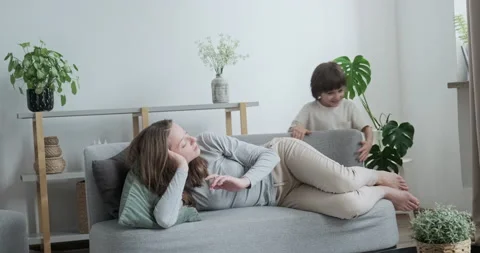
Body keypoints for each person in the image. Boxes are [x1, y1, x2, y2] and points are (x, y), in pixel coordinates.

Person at [126, 119, 420, 229]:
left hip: (284, 160)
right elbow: (164, 219)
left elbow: (266, 154)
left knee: (343, 181)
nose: (193, 141)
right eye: (183, 143)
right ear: (169, 156)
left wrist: (243, 181)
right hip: (283, 195)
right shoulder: (179, 189)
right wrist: (181, 168)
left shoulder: (208, 142)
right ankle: (383, 191)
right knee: (350, 207)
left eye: (187, 134)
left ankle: (372, 174)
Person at [289, 61, 373, 162]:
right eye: (330, 93)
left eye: (340, 91)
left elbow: (366, 128)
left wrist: (368, 143)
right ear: (318, 92)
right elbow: (294, 128)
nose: (337, 97)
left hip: (346, 158)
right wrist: (298, 129)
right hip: (319, 161)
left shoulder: (349, 107)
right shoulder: (309, 109)